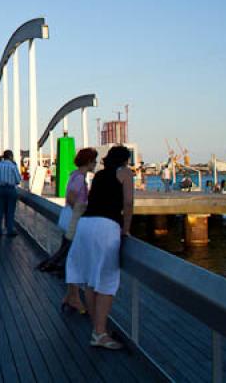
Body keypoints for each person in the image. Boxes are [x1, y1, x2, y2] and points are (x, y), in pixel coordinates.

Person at [66, 146, 134, 350]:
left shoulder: (99, 175)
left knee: (90, 281)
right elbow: (128, 203)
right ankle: (100, 333)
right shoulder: (125, 173)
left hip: (86, 226)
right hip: (106, 226)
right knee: (106, 281)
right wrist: (126, 230)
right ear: (125, 160)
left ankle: (97, 328)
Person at [37, 148, 98, 315]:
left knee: (71, 258)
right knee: (74, 259)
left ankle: (71, 297)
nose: (95, 164)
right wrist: (82, 209)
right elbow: (71, 198)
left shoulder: (74, 175)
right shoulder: (79, 178)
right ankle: (74, 298)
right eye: (94, 161)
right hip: (75, 223)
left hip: (73, 222)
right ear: (88, 162)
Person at [0, 150, 22, 237]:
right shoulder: (13, 166)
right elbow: (18, 180)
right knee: (10, 211)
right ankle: (9, 230)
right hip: (11, 190)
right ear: (11, 156)